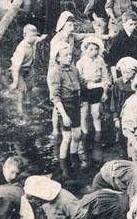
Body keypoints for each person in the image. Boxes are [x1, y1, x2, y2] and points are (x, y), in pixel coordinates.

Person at [48, 43, 83, 175]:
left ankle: (74, 157)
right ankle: (64, 167)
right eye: (66, 55)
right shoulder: (56, 72)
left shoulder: (74, 70)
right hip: (65, 105)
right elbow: (55, 97)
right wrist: (64, 115)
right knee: (67, 137)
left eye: (70, 54)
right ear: (58, 58)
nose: (69, 57)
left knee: (77, 135)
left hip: (75, 103)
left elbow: (82, 84)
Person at [76, 36, 110, 145]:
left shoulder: (100, 60)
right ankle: (84, 134)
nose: (94, 52)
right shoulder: (81, 62)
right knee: (84, 113)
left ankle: (98, 133)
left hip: (97, 87)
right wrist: (84, 86)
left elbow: (105, 77)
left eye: (96, 49)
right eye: (90, 49)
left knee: (96, 113)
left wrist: (105, 91)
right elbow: (79, 79)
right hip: (85, 89)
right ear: (85, 50)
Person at [10, 25, 47, 114]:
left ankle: (29, 104)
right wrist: (15, 82)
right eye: (31, 36)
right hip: (19, 69)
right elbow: (16, 67)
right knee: (21, 89)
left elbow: (39, 38)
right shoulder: (21, 48)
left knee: (30, 86)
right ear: (24, 35)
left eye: (35, 35)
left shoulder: (34, 40)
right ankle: (20, 110)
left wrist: (43, 37)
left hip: (29, 67)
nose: (33, 38)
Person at [105, 11, 137, 80]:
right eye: (130, 24)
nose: (133, 27)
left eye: (135, 24)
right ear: (123, 24)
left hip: (135, 70)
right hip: (121, 72)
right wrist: (115, 79)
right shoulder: (116, 39)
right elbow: (112, 61)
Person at [110, 57, 137, 144]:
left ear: (134, 72)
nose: (126, 74)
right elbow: (113, 101)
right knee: (122, 134)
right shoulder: (118, 83)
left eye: (128, 72)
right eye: (123, 72)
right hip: (121, 113)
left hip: (133, 112)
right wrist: (115, 117)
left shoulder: (136, 83)